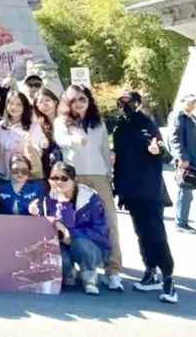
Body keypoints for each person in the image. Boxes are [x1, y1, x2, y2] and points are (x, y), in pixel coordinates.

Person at [54, 85, 123, 291]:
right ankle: (77, 268)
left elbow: (105, 151)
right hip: (74, 177)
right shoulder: (62, 122)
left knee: (110, 221)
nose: (78, 103)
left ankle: (113, 270)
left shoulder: (98, 122)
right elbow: (61, 140)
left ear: (89, 100)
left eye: (82, 99)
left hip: (99, 176)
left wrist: (109, 177)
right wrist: (75, 139)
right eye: (73, 100)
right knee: (71, 221)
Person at [113, 91, 178, 303]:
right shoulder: (120, 127)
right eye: (121, 102)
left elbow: (162, 149)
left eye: (129, 102)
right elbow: (119, 158)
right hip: (130, 190)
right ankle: (150, 271)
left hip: (149, 188)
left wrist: (156, 149)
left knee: (156, 233)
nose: (125, 105)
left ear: (138, 102)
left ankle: (168, 276)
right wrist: (119, 188)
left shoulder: (147, 122)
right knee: (142, 233)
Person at [39, 162, 110, 295]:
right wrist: (62, 205)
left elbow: (100, 231)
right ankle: (69, 272)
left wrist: (71, 234)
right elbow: (49, 225)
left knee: (79, 242)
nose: (58, 182)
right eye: (54, 178)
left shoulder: (90, 199)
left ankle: (90, 277)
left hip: (92, 245)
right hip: (64, 244)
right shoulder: (50, 198)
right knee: (61, 260)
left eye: (63, 178)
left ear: (74, 180)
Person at [0, 91, 49, 182]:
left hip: (23, 177)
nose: (14, 107)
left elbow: (37, 150)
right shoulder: (0, 126)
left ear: (24, 106)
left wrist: (42, 143)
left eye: (19, 104)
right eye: (11, 103)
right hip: (2, 176)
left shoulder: (33, 127)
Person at [167, 93, 196, 232]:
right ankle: (180, 223)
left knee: (187, 192)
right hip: (186, 160)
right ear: (182, 102)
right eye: (189, 101)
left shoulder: (192, 118)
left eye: (194, 102)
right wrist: (181, 157)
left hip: (193, 158)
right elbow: (174, 138)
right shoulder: (178, 116)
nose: (192, 104)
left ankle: (182, 221)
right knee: (185, 190)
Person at [33, 88, 62, 175]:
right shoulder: (38, 125)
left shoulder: (66, 120)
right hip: (49, 169)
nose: (44, 105)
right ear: (37, 106)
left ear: (55, 102)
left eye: (47, 101)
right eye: (40, 102)